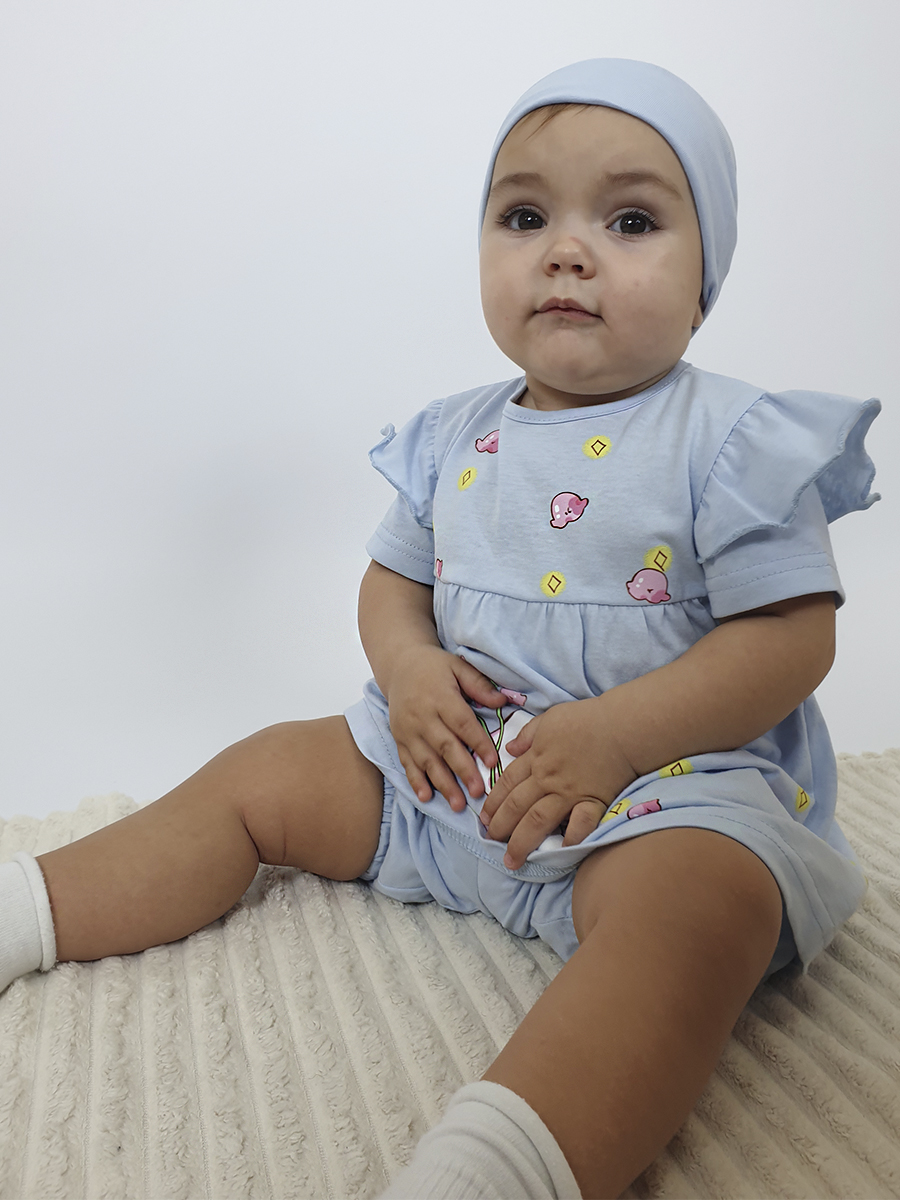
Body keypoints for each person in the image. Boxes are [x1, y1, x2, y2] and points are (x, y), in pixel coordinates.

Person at [0, 58, 881, 1199]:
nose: (567, 252)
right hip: (449, 775)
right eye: (525, 217)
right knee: (268, 769)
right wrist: (411, 669)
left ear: (707, 276)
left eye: (630, 221)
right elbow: (391, 582)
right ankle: (30, 906)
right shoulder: (452, 437)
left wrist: (618, 738)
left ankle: (491, 1169)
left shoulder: (732, 441)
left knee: (703, 910)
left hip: (660, 796)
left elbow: (791, 638)